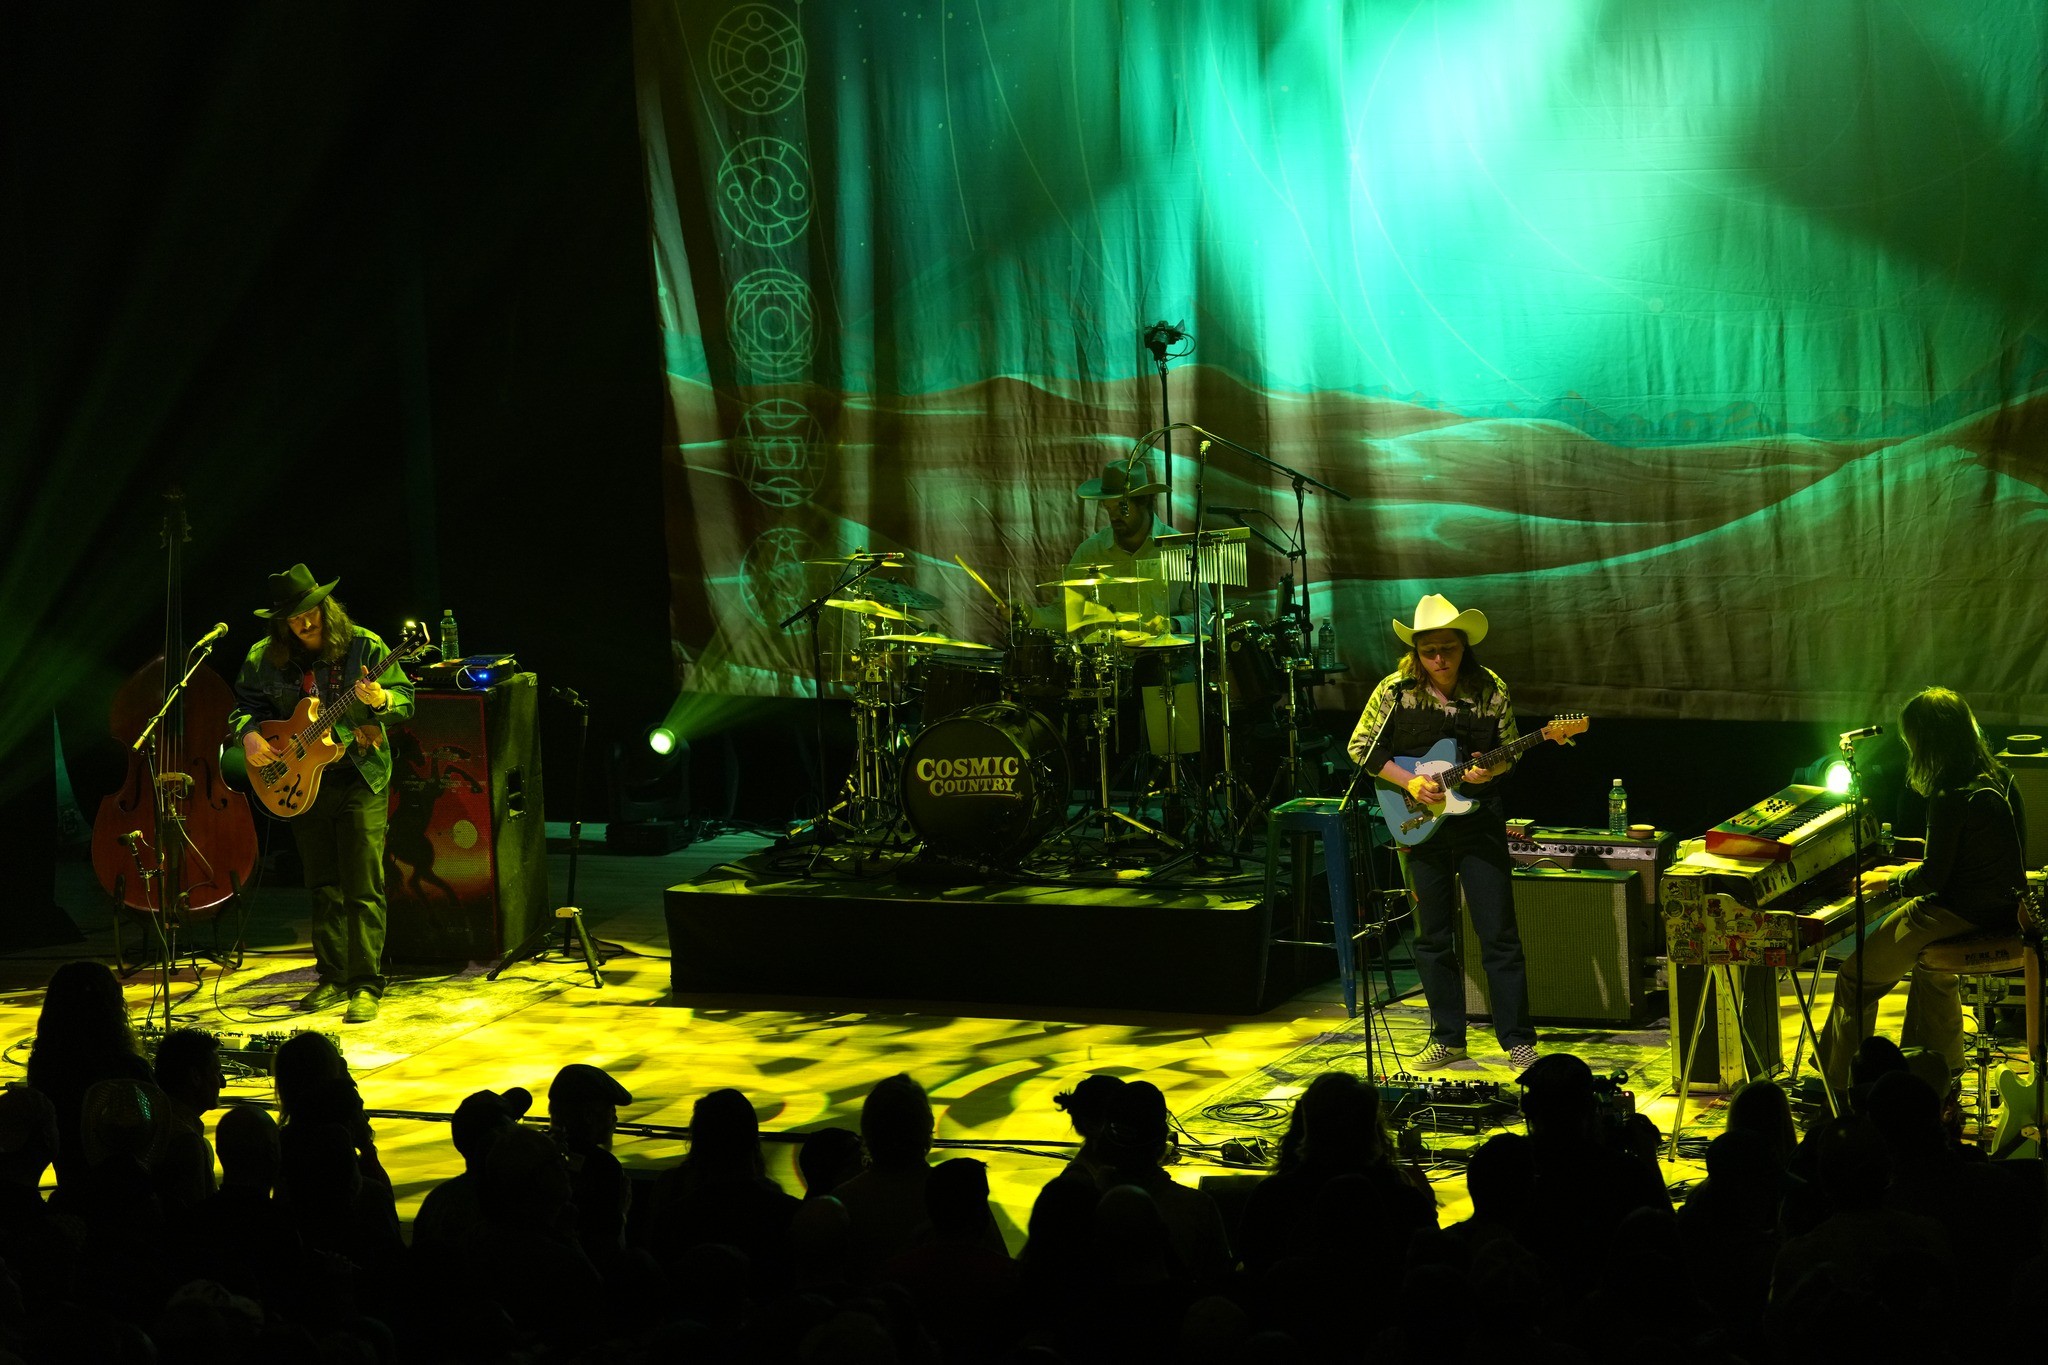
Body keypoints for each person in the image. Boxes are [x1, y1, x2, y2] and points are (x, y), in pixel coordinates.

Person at [1347, 593, 1535, 1070]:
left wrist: (1489, 771)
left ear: (1463, 646)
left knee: (1498, 934)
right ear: (1416, 651)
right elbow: (1361, 747)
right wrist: (1408, 781)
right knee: (1432, 937)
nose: (1438, 659)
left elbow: (1511, 751)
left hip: (1479, 822)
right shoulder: (1395, 691)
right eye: (1428, 651)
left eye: (1447, 649)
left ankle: (1517, 1039)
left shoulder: (1490, 688)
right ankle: (1449, 1039)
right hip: (1418, 824)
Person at [228, 564, 414, 1024]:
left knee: (363, 884)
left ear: (326, 609)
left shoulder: (365, 646)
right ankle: (333, 977)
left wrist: (380, 700)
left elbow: (405, 699)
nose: (304, 623)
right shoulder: (262, 657)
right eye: (293, 618)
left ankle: (365, 985)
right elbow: (243, 707)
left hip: (359, 775)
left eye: (311, 612)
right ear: (281, 623)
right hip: (302, 782)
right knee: (323, 884)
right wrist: (248, 736)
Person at [1816, 687, 2028, 1087]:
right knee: (1932, 973)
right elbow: (1994, 853)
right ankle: (1933, 1079)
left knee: (1855, 977)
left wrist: (1889, 880)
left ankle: (1842, 1087)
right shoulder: (2001, 777)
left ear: (1925, 740)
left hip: (1957, 912)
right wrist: (1913, 864)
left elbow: (1932, 879)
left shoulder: (1950, 794)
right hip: (2007, 911)